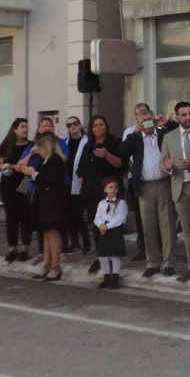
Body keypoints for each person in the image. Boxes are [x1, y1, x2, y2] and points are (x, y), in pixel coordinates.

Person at [122, 108, 177, 278]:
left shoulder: (163, 133)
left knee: (167, 224)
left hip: (164, 183)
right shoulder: (135, 138)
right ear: (138, 121)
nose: (146, 123)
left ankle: (168, 262)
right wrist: (135, 132)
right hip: (144, 186)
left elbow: (176, 130)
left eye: (148, 119)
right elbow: (122, 153)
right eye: (142, 120)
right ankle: (153, 262)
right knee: (148, 225)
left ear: (153, 118)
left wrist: (165, 123)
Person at [160, 102, 190, 282]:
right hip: (180, 188)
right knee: (188, 230)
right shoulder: (169, 137)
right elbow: (163, 162)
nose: (188, 117)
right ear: (177, 117)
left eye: (189, 113)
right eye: (184, 115)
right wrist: (169, 166)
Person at [77, 115, 125, 274]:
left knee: (112, 225)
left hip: (110, 190)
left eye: (101, 124)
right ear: (91, 129)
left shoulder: (115, 142)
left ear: (106, 126)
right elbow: (81, 169)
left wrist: (106, 155)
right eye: (95, 125)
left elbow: (120, 164)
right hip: (92, 191)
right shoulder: (88, 145)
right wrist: (81, 187)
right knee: (96, 225)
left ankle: (113, 259)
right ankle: (100, 257)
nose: (98, 127)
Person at [20, 132, 67, 281]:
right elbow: (23, 167)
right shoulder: (44, 160)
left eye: (38, 145)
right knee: (46, 232)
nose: (36, 148)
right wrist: (30, 157)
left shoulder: (55, 160)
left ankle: (55, 266)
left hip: (52, 201)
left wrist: (34, 174)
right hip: (43, 200)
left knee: (52, 232)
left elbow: (51, 180)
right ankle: (46, 264)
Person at [0, 118, 33, 262]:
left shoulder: (31, 146)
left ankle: (25, 248)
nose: (25, 129)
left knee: (25, 217)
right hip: (8, 185)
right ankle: (12, 248)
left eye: (26, 127)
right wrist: (11, 166)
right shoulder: (6, 145)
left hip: (25, 184)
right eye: (22, 127)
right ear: (15, 129)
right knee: (11, 217)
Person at [122, 103, 153, 263]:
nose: (142, 116)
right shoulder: (129, 131)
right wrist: (136, 132)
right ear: (135, 116)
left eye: (145, 112)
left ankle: (156, 248)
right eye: (139, 113)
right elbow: (124, 153)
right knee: (140, 216)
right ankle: (143, 248)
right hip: (135, 178)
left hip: (153, 178)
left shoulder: (155, 128)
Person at [62, 116, 92, 254]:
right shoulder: (64, 143)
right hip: (65, 183)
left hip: (81, 183)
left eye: (75, 124)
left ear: (80, 125)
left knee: (79, 215)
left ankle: (86, 243)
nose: (72, 126)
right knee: (68, 215)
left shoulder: (87, 142)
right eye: (69, 125)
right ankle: (74, 242)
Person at [93, 177, 127, 290]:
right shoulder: (101, 203)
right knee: (103, 256)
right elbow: (97, 217)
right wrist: (101, 225)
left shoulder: (121, 203)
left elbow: (120, 218)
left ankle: (115, 279)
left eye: (116, 187)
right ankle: (106, 278)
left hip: (115, 231)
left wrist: (107, 226)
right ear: (105, 189)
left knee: (114, 255)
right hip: (104, 231)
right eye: (110, 187)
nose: (113, 189)